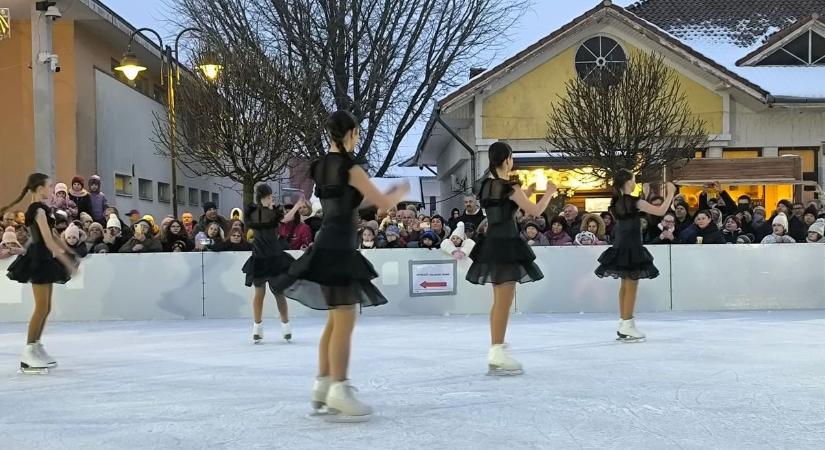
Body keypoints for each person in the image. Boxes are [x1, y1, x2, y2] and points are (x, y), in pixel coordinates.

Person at [273, 110, 410, 421]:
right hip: (340, 247)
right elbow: (381, 203)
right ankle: (339, 387)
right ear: (351, 134)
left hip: (326, 243)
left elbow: (344, 202)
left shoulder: (320, 166)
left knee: (335, 323)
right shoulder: (352, 167)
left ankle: (322, 385)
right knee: (345, 321)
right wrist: (398, 192)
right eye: (357, 133)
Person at [465, 141, 556, 376]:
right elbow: (534, 212)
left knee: (499, 300)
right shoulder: (509, 186)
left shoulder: (486, 186)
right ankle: (497, 351)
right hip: (506, 243)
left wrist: (529, 192)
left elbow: (507, 207)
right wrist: (549, 193)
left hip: (492, 242)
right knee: (504, 301)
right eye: (512, 158)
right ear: (507, 160)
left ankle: (498, 347)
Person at [3, 173, 78, 373]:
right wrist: (66, 262)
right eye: (49, 186)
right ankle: (28, 352)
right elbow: (46, 238)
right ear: (39, 189)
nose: (51, 190)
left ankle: (36, 346)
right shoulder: (37, 210)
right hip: (38, 258)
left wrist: (69, 251)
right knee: (41, 307)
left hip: (44, 257)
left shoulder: (43, 209)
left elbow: (54, 234)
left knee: (47, 307)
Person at [595, 169, 676, 342]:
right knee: (631, 285)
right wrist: (670, 193)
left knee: (625, 285)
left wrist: (646, 195)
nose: (635, 183)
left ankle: (624, 322)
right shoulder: (632, 201)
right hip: (632, 246)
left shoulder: (616, 202)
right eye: (633, 180)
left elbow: (633, 214)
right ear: (628, 182)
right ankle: (627, 325)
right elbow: (661, 211)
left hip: (621, 245)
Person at [242, 184, 303, 344]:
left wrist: (293, 207)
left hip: (267, 257)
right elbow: (286, 219)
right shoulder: (265, 212)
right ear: (263, 197)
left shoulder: (258, 212)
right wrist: (296, 206)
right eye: (269, 197)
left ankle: (273, 327)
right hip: (267, 257)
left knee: (271, 292)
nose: (271, 199)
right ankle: (273, 327)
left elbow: (283, 219)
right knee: (269, 293)